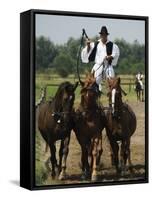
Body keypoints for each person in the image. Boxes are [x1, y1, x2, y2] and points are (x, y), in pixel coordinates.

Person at [81, 26, 120, 92]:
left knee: (112, 83)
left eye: (105, 34)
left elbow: (115, 54)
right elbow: (88, 52)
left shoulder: (112, 45)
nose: (103, 36)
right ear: (100, 35)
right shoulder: (96, 44)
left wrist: (108, 57)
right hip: (98, 66)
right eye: (102, 34)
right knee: (93, 82)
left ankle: (113, 98)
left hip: (108, 66)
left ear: (107, 35)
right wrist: (88, 45)